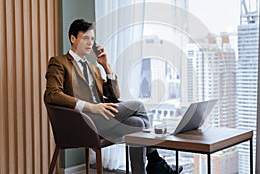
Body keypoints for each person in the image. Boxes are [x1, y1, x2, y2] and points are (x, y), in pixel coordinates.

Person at [44, 18, 183, 174]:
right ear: (73, 38)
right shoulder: (59, 62)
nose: (90, 43)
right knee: (139, 105)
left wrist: (106, 66)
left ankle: (141, 171)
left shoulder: (94, 69)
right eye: (86, 38)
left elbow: (114, 95)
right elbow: (52, 94)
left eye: (93, 39)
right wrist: (90, 106)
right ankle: (156, 162)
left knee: (137, 124)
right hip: (83, 122)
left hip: (103, 120)